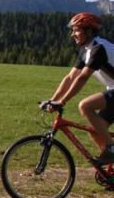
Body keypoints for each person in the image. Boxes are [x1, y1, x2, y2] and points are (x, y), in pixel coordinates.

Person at [43, 11, 114, 166]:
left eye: (76, 30)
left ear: (89, 31)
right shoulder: (86, 50)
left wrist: (62, 102)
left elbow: (82, 78)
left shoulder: (98, 49)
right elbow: (70, 78)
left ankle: (111, 149)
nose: (72, 34)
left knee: (85, 106)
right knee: (96, 132)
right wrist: (52, 100)